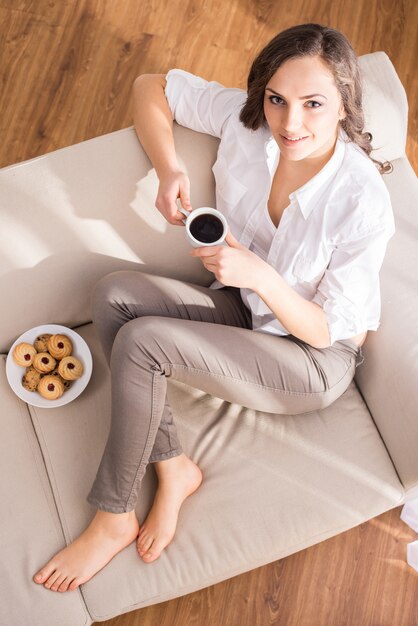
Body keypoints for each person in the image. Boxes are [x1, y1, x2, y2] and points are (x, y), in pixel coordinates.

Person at [33, 22, 394, 593]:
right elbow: (151, 85)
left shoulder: (361, 202)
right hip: (246, 308)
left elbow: (326, 331)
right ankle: (175, 467)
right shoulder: (246, 122)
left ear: (345, 105)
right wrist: (169, 165)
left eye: (313, 104)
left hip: (312, 357)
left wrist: (263, 277)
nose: (290, 122)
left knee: (143, 343)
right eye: (277, 99)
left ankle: (114, 514)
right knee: (112, 297)